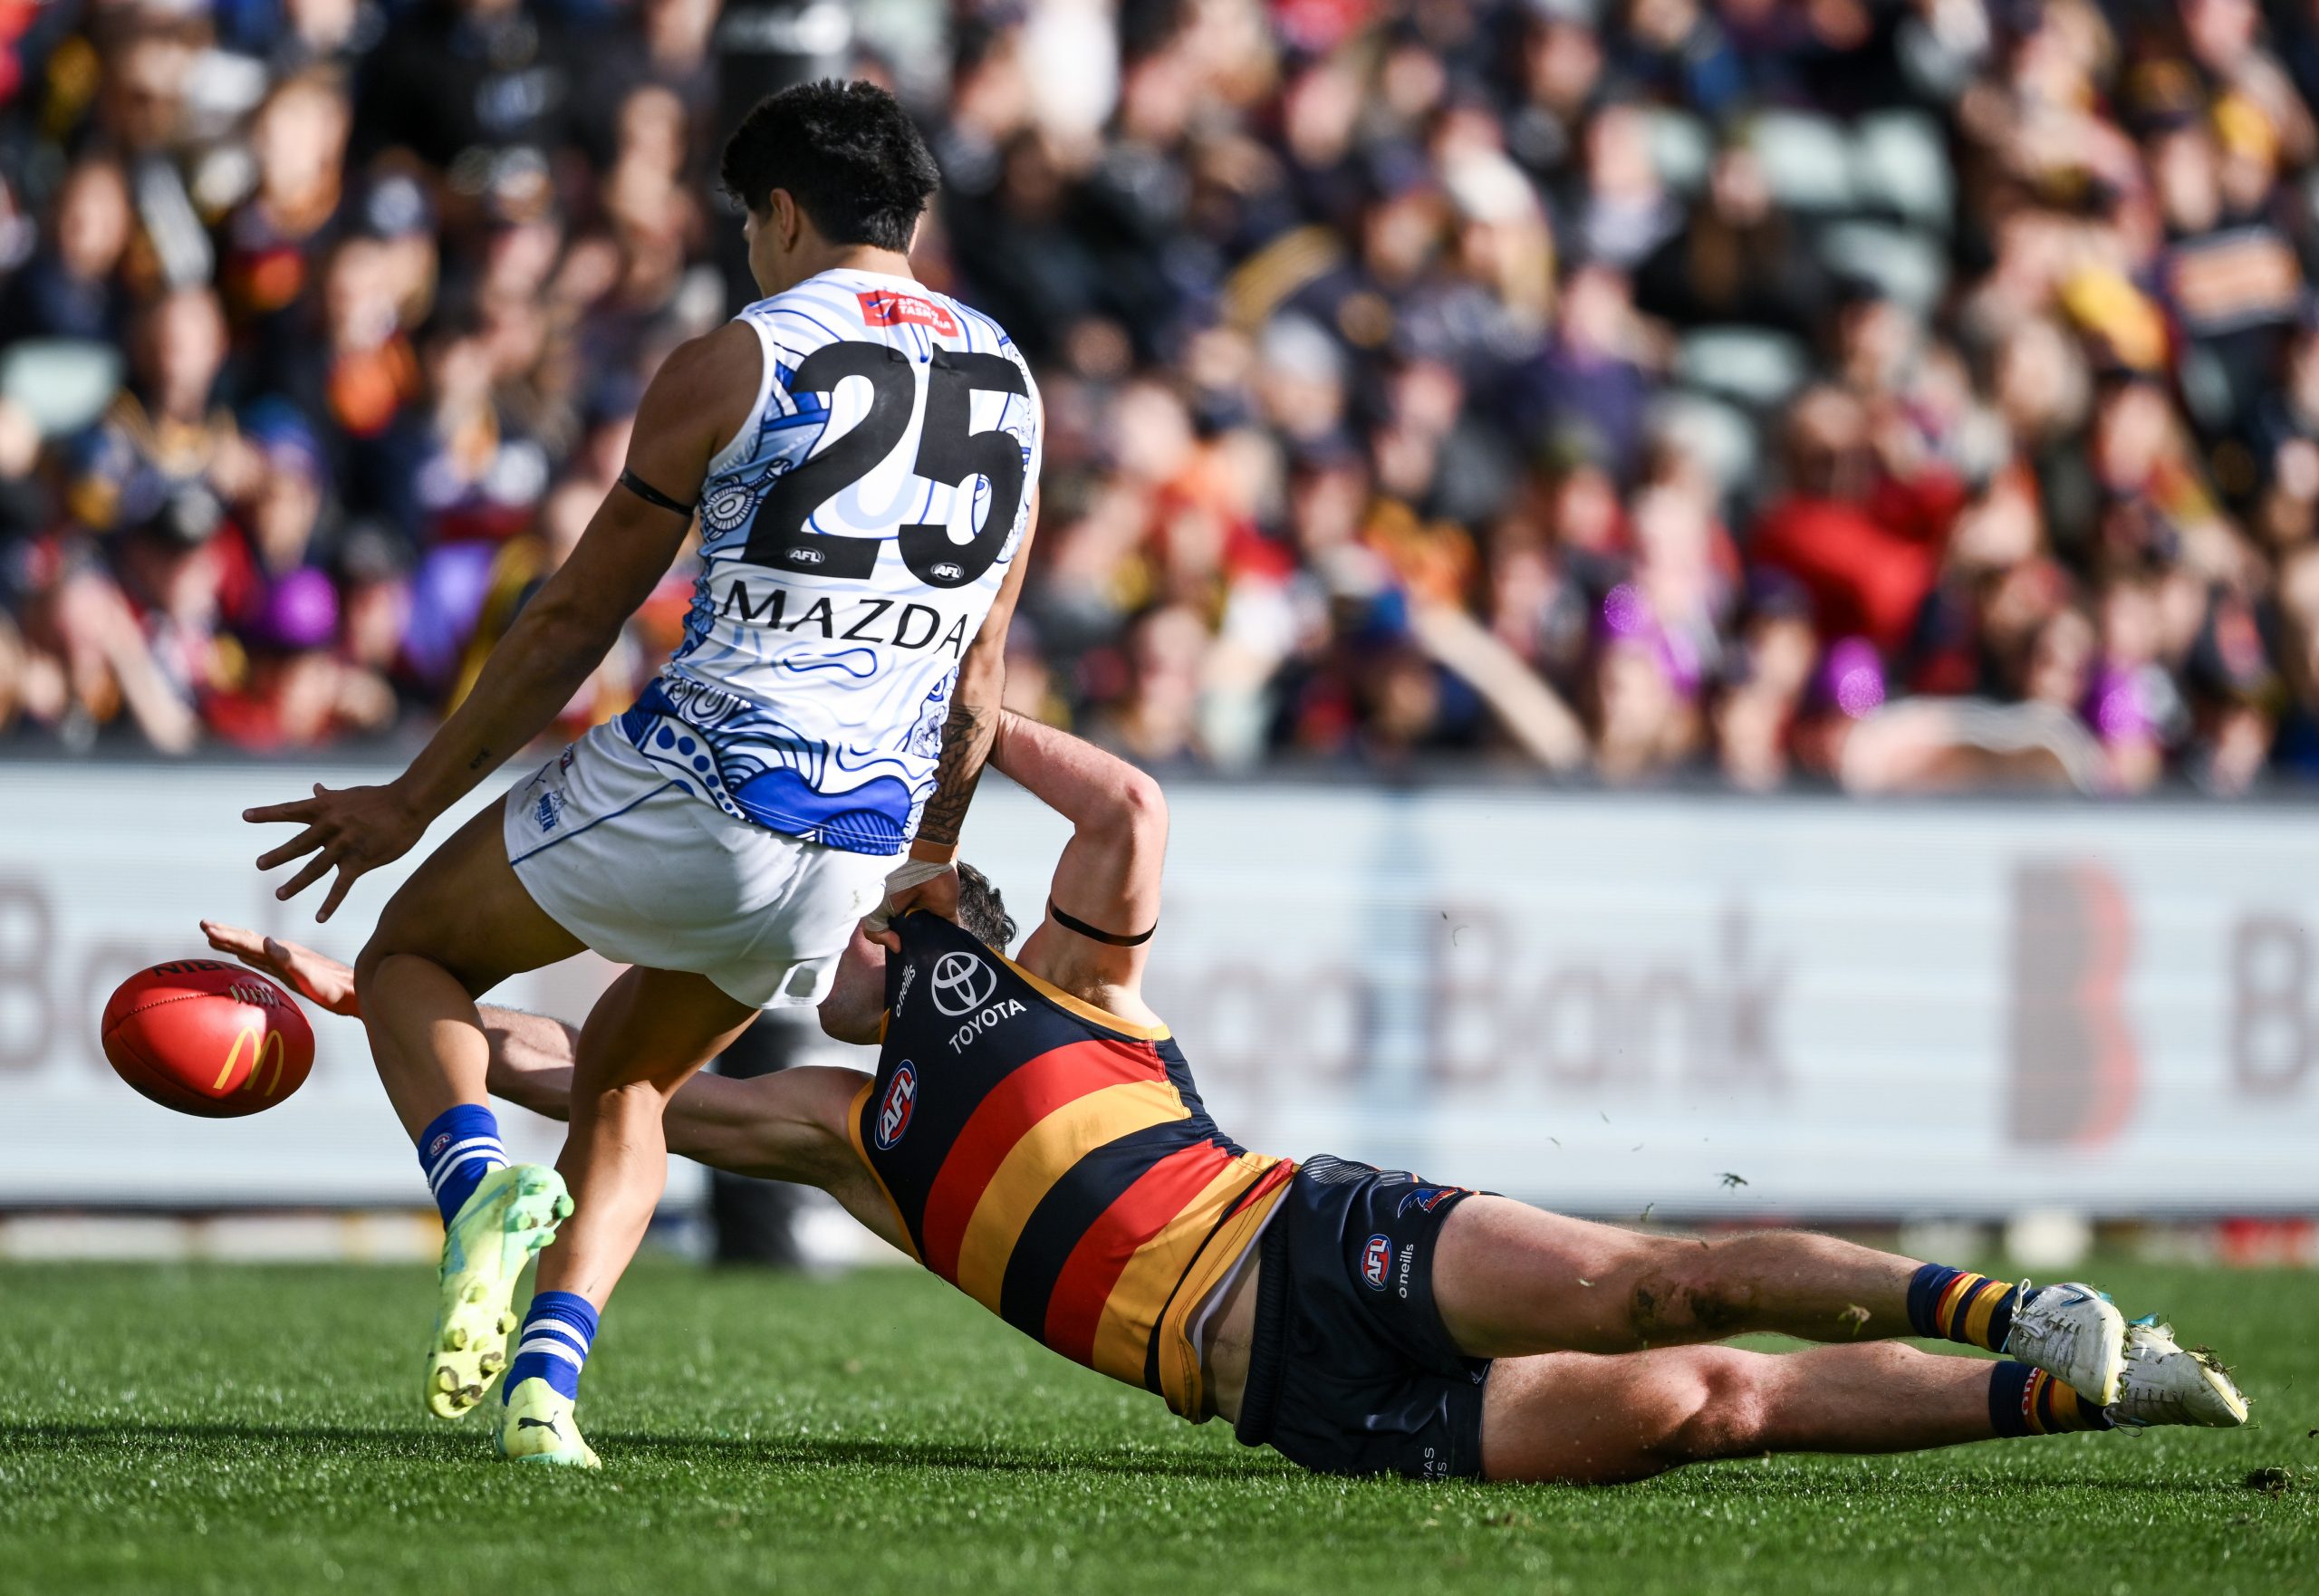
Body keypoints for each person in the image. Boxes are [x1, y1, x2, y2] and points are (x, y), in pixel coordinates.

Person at [207, 716, 2248, 1476]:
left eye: (823, 924)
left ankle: (1994, 1303)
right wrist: (371, 991)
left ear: (895, 911)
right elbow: (577, 1067)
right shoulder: (846, 1124)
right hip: (1295, 1404)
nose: (782, 957)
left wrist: (973, 726)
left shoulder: (1064, 976)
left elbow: (1132, 801)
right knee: (1698, 1399)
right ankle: (2073, 1388)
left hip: (1315, 1226)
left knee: (1659, 1280)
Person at [238, 81, 1044, 1460]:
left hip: (699, 779)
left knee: (409, 958)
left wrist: (408, 802)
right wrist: (919, 865)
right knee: (628, 1084)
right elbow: (978, 683)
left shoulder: (738, 356)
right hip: (849, 841)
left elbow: (572, 615)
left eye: (750, 222)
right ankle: (546, 1396)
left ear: (781, 213)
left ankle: (478, 1183)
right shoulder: (1013, 385)